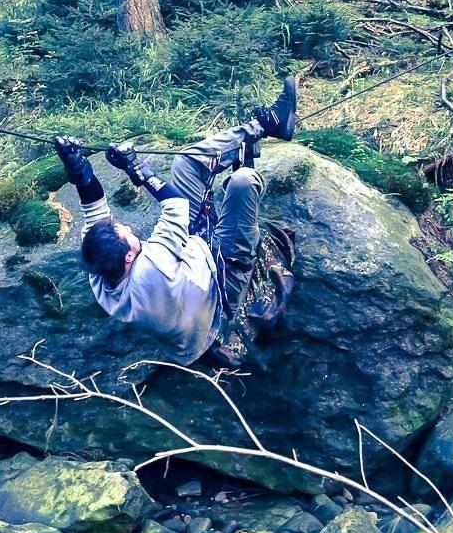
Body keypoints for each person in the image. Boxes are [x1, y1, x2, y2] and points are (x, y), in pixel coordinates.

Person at [53, 77, 299, 365]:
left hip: (189, 265)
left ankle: (268, 125)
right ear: (130, 256)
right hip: (222, 285)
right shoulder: (152, 269)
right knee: (242, 182)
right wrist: (138, 170)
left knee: (186, 160)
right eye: (125, 233)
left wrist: (77, 168)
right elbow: (175, 205)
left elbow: (93, 207)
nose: (128, 227)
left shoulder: (101, 271)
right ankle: (261, 133)